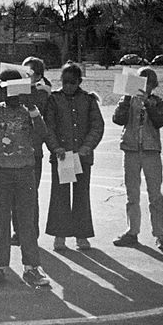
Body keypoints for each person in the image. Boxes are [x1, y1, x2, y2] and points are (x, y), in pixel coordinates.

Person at [0, 69, 51, 288]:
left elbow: (42, 134)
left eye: (17, 89)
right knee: (2, 219)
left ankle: (31, 267)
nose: (13, 96)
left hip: (25, 170)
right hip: (3, 171)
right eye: (8, 89)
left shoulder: (29, 110)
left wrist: (33, 107)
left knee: (26, 220)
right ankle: (0, 265)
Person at [44, 62, 104, 251]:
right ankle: (59, 235)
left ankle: (81, 235)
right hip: (62, 157)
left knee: (81, 196)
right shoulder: (54, 99)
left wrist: (87, 146)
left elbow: (97, 125)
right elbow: (49, 127)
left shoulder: (88, 100)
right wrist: (56, 148)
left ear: (79, 81)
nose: (69, 85)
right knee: (60, 196)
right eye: (65, 81)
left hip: (82, 156)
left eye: (73, 82)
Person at [111, 67, 163, 250]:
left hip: (151, 150)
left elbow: (160, 121)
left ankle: (160, 234)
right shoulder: (128, 101)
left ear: (153, 86)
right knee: (132, 194)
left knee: (155, 195)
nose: (145, 88)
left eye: (149, 84)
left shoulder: (158, 102)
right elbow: (117, 119)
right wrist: (127, 99)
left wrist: (149, 104)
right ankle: (132, 231)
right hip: (131, 150)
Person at [10, 56, 52, 246]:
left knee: (29, 195)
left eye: (30, 73)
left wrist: (35, 91)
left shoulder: (42, 92)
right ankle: (18, 231)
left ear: (38, 76)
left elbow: (39, 113)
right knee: (13, 195)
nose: (25, 76)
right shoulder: (15, 87)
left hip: (32, 150)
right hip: (12, 149)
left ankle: (30, 232)